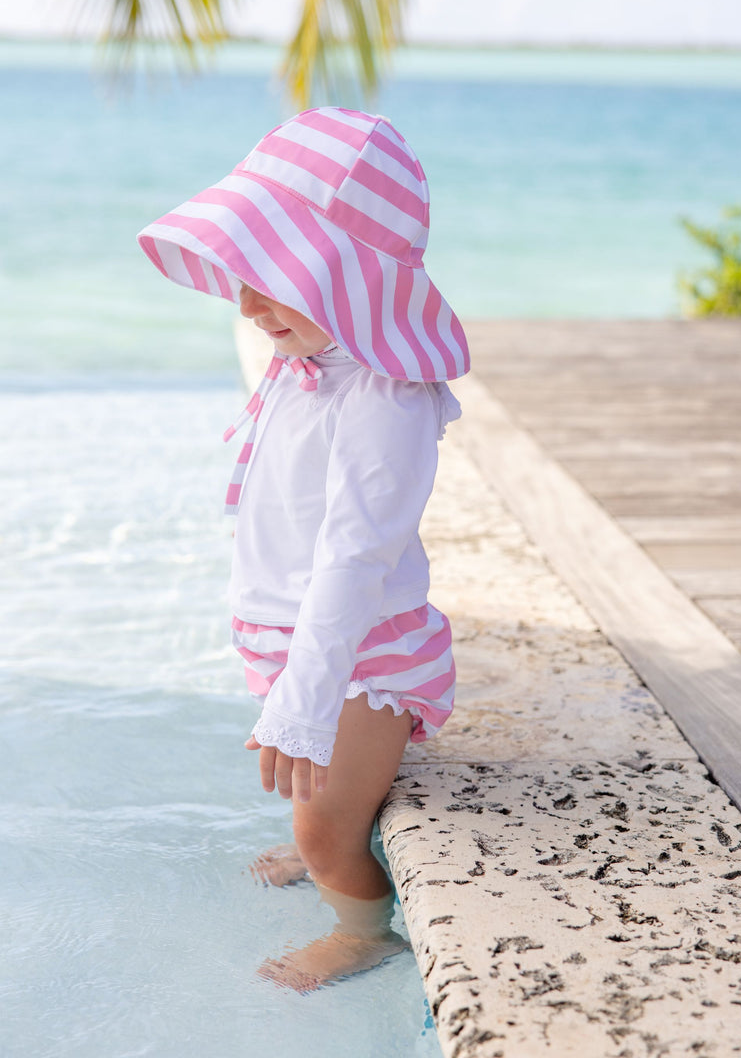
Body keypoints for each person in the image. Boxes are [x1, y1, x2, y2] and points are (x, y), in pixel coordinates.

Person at [137, 106, 469, 991]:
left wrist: (306, 696)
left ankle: (365, 928)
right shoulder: (308, 363)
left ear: (349, 280)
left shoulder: (384, 402)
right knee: (309, 802)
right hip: (300, 636)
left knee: (322, 824)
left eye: (277, 279)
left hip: (360, 649)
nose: (247, 303)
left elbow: (355, 559)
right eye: (247, 275)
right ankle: (328, 842)